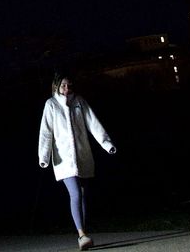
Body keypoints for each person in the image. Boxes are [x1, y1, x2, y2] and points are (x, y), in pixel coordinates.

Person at [36, 73, 115, 250]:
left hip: (82, 155)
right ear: (57, 86)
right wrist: (43, 157)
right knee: (76, 194)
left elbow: (93, 123)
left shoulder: (79, 101)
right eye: (63, 85)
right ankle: (81, 235)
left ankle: (84, 233)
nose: (67, 89)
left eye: (69, 85)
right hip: (63, 159)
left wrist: (107, 144)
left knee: (83, 195)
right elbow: (46, 132)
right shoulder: (51, 104)